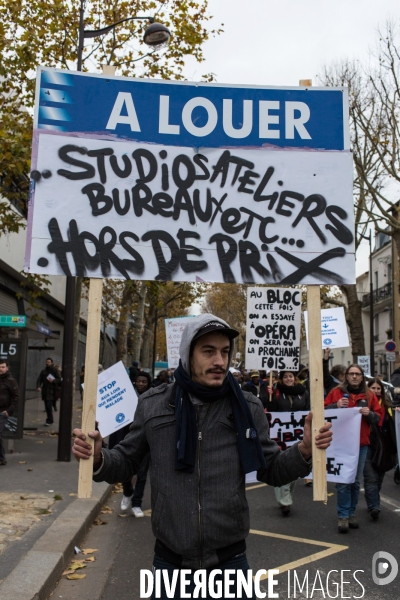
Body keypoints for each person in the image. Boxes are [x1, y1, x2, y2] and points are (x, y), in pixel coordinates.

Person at [73, 314, 332, 598]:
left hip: (230, 563)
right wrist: (99, 459)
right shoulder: (153, 404)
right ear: (188, 354)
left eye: (224, 352)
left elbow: (270, 469)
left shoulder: (248, 407)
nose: (219, 361)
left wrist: (304, 450)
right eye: (208, 351)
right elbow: (126, 462)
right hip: (169, 564)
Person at [324, 364, 382, 533]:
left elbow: (378, 417)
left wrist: (369, 414)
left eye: (357, 374)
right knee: (343, 481)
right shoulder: (336, 393)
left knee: (355, 481)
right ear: (346, 377)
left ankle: (351, 513)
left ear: (362, 377)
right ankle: (342, 516)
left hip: (361, 444)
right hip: (341, 443)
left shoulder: (370, 395)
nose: (354, 377)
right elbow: (323, 411)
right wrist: (335, 406)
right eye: (351, 374)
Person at [264, 370, 310, 514]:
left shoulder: (303, 392)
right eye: (285, 377)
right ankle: (285, 501)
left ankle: (287, 495)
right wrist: (269, 396)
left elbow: (308, 411)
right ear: (281, 379)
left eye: (290, 376)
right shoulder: (276, 391)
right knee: (282, 464)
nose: (288, 379)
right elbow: (270, 411)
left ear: (294, 378)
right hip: (281, 435)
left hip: (298, 434)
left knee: (294, 465)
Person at [109, 371, 153, 517]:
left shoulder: (153, 399)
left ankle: (137, 504)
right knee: (126, 470)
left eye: (144, 382)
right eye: (138, 381)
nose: (140, 384)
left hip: (147, 442)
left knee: (141, 474)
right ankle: (127, 492)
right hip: (129, 439)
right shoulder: (124, 396)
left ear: (148, 383)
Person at [363, 378, 398, 521]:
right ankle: (374, 507)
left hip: (384, 447)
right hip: (368, 444)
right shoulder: (364, 404)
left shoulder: (389, 406)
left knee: (379, 476)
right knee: (370, 477)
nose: (376, 391)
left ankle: (373, 500)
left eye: (379, 389)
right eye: (373, 388)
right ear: (368, 390)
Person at [0, 359, 19, 466]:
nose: (0, 369)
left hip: (2, 412)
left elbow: (16, 397)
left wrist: (8, 411)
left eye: (2, 367)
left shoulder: (11, 381)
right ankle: (1, 458)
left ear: (7, 368)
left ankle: (1, 458)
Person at [36, 358, 61, 426]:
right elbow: (39, 379)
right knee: (47, 407)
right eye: (46, 362)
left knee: (48, 406)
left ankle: (50, 420)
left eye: (49, 362)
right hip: (45, 391)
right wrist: (38, 386)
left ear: (52, 363)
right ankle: (49, 419)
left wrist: (53, 381)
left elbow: (59, 379)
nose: (47, 363)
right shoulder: (43, 371)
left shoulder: (55, 370)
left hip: (52, 391)